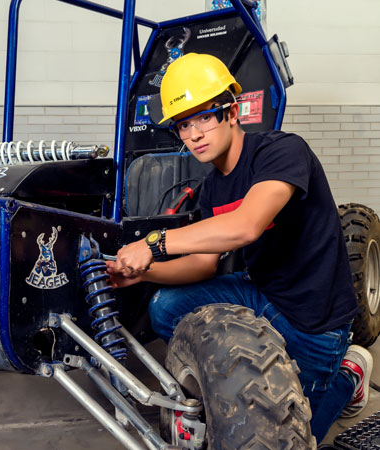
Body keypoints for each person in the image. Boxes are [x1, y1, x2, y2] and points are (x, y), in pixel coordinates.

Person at [106, 52, 373, 443]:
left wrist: (153, 243)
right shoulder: (213, 187)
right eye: (183, 124)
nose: (194, 134)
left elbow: (246, 226)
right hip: (261, 293)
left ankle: (351, 374)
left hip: (315, 320)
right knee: (165, 306)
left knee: (284, 435)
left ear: (232, 113)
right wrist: (140, 273)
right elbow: (205, 265)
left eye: (204, 117)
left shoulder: (282, 151)